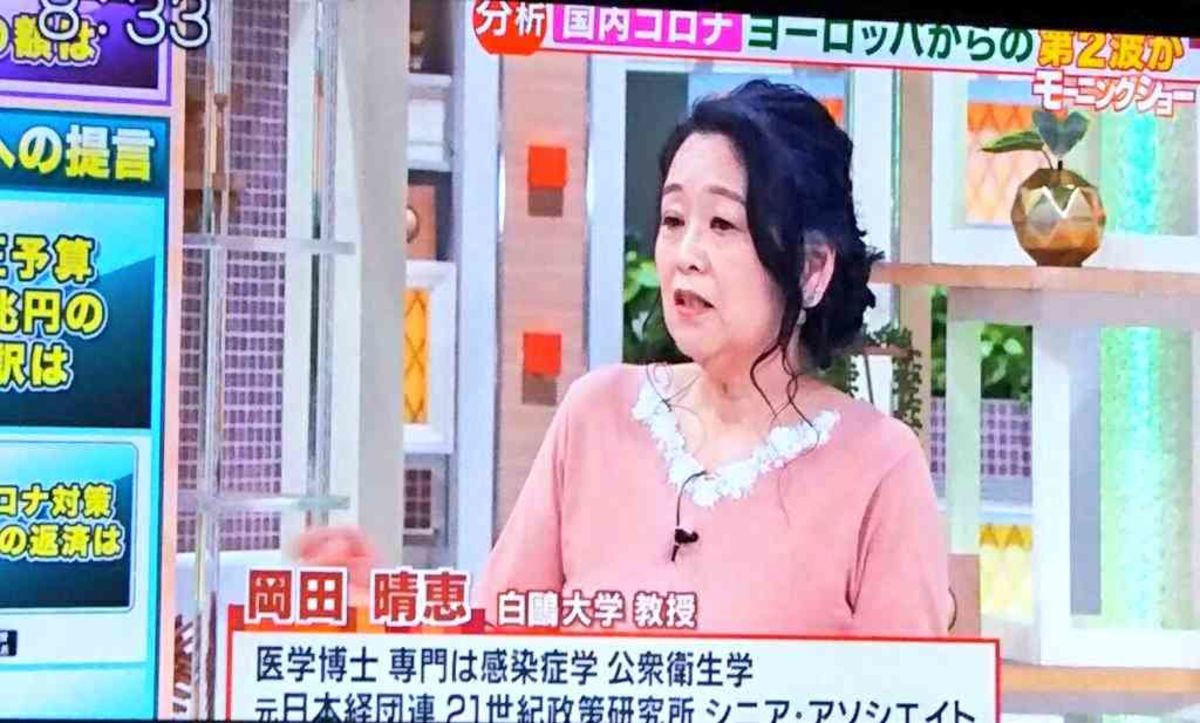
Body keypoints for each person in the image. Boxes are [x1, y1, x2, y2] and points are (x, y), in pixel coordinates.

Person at [295, 79, 953, 637]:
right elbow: (498, 645)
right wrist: (378, 607)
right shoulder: (597, 414)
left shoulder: (879, 466)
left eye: (723, 225)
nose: (685, 255)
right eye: (673, 220)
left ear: (811, 268)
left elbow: (906, 696)